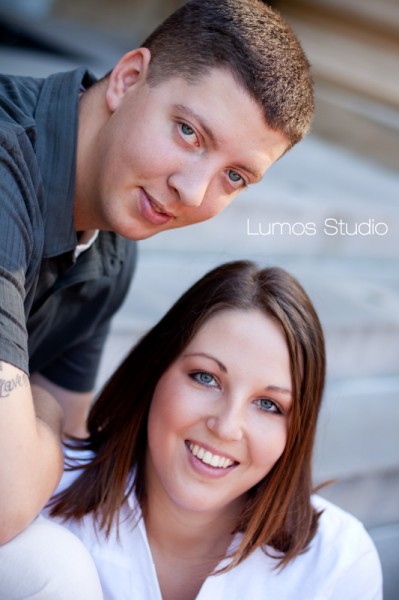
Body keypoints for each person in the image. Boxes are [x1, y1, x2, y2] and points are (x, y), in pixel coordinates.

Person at [0, 0, 313, 548]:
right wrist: (38, 409)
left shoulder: (112, 249)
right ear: (127, 79)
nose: (192, 192)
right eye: (190, 133)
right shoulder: (7, 168)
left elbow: (68, 457)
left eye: (234, 176)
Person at [43, 260, 382, 599]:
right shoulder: (45, 497)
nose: (226, 427)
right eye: (206, 378)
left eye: (268, 404)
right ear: (154, 370)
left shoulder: (338, 564)